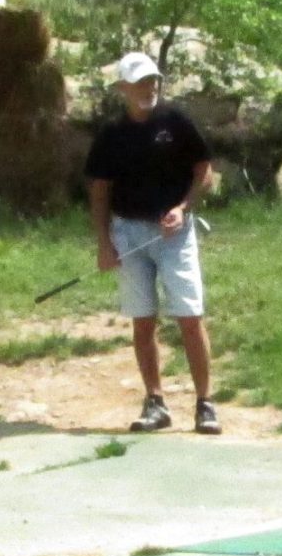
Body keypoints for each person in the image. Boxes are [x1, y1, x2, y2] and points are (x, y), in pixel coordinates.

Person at [85, 51, 219, 434]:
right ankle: (155, 401)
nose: (150, 88)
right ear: (123, 88)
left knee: (189, 316)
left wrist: (183, 207)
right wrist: (104, 243)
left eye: (153, 80)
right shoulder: (112, 135)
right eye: (141, 82)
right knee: (143, 320)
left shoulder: (176, 122)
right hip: (129, 233)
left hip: (174, 234)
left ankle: (205, 403)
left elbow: (204, 171)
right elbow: (99, 191)